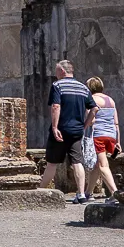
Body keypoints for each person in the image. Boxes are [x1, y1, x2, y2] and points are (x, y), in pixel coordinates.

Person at [40, 59, 95, 204]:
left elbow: (56, 106)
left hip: (61, 129)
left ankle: (39, 191)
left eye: (57, 70)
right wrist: (85, 125)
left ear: (62, 71)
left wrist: (54, 127)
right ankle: (82, 194)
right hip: (77, 130)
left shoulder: (57, 85)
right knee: (77, 162)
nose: (55, 73)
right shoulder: (83, 87)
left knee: (52, 162)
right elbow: (94, 108)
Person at [84, 75, 120, 203]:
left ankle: (115, 193)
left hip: (98, 135)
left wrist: (83, 127)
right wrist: (118, 142)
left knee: (103, 165)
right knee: (97, 165)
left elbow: (91, 119)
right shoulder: (111, 100)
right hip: (111, 135)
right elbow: (116, 123)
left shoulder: (91, 99)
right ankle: (88, 193)